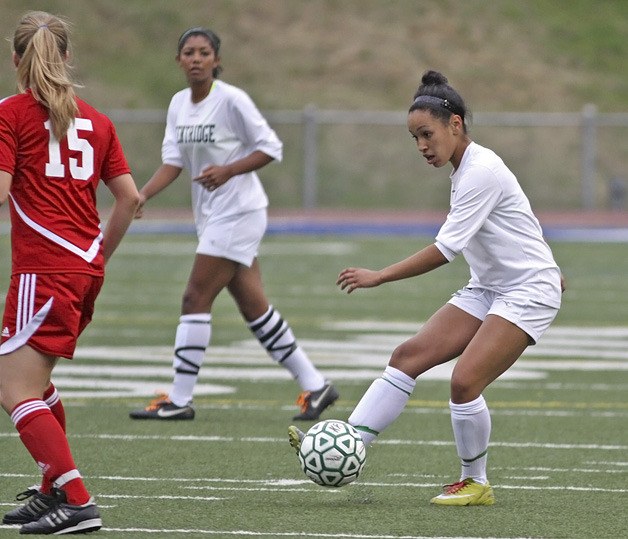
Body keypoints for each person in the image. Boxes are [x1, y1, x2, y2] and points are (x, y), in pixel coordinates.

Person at [289, 70, 563, 506]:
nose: (421, 146)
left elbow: (445, 250)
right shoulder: (467, 170)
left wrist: (379, 275)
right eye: (414, 137)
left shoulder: (481, 171)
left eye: (426, 134)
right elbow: (517, 225)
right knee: (406, 358)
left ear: (455, 124)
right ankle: (349, 442)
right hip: (491, 287)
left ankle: (475, 482)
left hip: (527, 291)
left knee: (465, 381)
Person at [128, 27, 338, 422]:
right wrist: (142, 195)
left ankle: (179, 399)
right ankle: (315, 385)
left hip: (239, 211)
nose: (195, 58)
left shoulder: (231, 100)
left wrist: (227, 171)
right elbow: (174, 162)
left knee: (194, 299)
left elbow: (271, 147)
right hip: (211, 216)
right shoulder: (177, 105)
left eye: (204, 52)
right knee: (254, 308)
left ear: (216, 61)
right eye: (188, 52)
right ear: (178, 60)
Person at [0, 11, 140, 535]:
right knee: (36, 381)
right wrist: (97, 253)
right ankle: (50, 489)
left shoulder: (10, 113)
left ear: (17, 60)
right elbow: (128, 199)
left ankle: (77, 498)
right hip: (83, 270)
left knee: (13, 389)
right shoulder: (97, 120)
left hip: (44, 268)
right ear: (66, 58)